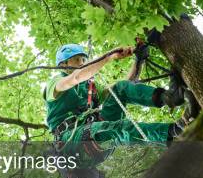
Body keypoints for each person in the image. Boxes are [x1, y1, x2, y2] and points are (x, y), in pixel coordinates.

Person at [45, 43, 194, 167]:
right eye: (77, 60)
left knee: (120, 88)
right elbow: (76, 77)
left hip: (97, 131)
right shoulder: (55, 84)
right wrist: (109, 57)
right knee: (119, 127)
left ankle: (169, 98)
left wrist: (138, 60)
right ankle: (174, 132)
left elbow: (121, 91)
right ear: (64, 64)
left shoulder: (89, 89)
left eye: (84, 59)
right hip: (75, 144)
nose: (83, 63)